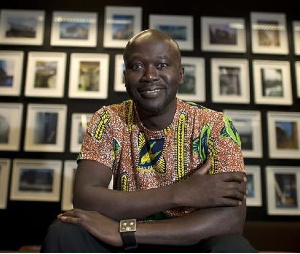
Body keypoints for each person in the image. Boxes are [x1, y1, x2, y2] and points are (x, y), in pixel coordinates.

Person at [41, 28, 257, 253]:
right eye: (137, 66)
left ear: (181, 74)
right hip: (125, 246)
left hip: (188, 241)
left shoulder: (215, 126)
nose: (150, 75)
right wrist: (180, 193)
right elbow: (85, 199)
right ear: (125, 77)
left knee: (233, 247)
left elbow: (231, 220)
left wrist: (124, 231)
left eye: (162, 65)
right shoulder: (108, 119)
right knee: (64, 231)